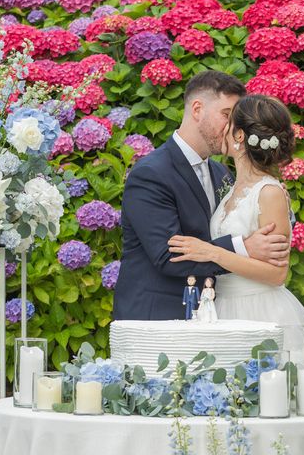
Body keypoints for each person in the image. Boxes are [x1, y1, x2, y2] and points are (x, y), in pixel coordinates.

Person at [113, 71, 291, 320]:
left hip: (216, 314)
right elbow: (168, 255)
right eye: (226, 115)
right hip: (158, 317)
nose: (233, 127)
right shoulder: (151, 173)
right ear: (197, 109)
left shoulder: (222, 175)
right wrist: (243, 247)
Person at [168, 94, 304, 339]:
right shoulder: (230, 189)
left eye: (228, 121)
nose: (222, 129)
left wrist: (212, 252)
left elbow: (277, 274)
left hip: (259, 310)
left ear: (239, 135)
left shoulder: (269, 192)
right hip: (222, 307)